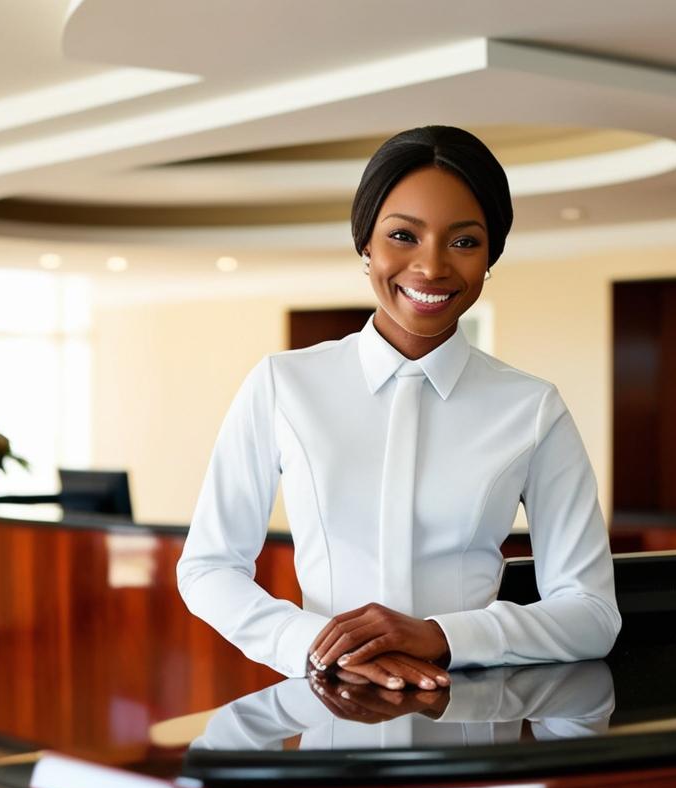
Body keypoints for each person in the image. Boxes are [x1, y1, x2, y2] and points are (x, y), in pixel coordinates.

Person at [177, 126, 620, 691]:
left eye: (464, 242)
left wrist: (440, 636)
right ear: (366, 245)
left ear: (490, 257)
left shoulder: (531, 407)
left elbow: (592, 614)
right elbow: (208, 568)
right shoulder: (282, 385)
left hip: (469, 726)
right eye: (403, 236)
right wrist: (315, 646)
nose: (432, 267)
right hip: (330, 718)